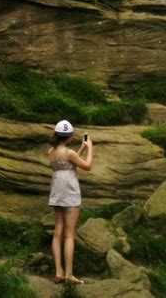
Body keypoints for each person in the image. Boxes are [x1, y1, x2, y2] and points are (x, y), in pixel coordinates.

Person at [48, 119, 93, 285]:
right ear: (69, 137)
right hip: (70, 192)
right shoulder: (69, 153)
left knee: (58, 232)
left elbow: (69, 163)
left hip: (57, 191)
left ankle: (58, 272)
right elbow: (87, 166)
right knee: (69, 234)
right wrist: (90, 149)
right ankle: (68, 274)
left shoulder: (51, 152)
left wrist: (80, 149)